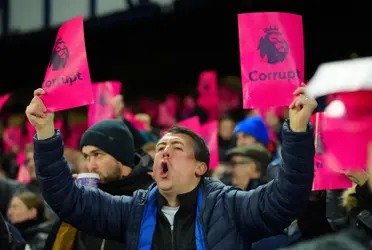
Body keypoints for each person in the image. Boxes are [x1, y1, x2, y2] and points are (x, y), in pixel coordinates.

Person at [26, 86, 317, 250]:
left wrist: (298, 129)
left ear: (200, 167)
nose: (165, 151)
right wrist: (45, 133)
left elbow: (286, 196)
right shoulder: (133, 212)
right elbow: (69, 200)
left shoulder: (230, 207)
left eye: (177, 148)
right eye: (161, 147)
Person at [44, 119, 154, 250]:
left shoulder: (149, 198)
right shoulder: (83, 197)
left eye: (98, 155)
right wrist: (72, 198)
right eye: (87, 157)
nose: (91, 166)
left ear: (121, 156)